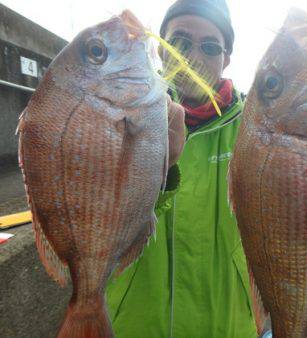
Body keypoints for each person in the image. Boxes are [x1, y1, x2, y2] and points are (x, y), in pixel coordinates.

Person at [106, 1, 258, 337]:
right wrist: (159, 172)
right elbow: (104, 219)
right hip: (136, 324)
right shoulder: (122, 115)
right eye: (180, 42)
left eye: (210, 46)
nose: (193, 56)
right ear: (160, 50)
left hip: (230, 325)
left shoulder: (257, 131)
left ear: (226, 58)